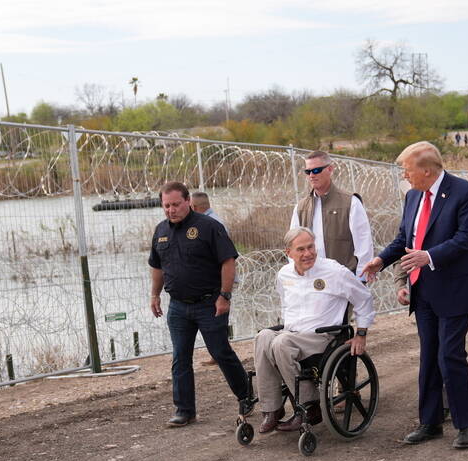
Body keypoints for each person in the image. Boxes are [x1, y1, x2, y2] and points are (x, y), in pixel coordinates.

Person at [361, 141, 468, 449]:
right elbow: (405, 236)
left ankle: (466, 424)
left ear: (426, 170)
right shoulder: (413, 196)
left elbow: (467, 239)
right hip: (424, 290)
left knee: (450, 355)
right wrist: (381, 260)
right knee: (429, 355)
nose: (405, 176)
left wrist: (429, 256)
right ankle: (430, 422)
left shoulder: (465, 193)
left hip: (455, 288)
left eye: (407, 170)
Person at [254, 227, 375, 433]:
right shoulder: (284, 274)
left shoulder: (334, 271)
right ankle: (272, 409)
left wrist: (360, 333)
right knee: (263, 336)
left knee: (281, 343)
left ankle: (310, 406)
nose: (308, 253)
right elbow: (285, 304)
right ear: (288, 253)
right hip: (293, 333)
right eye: (301, 249)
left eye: (311, 247)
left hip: (323, 337)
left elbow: (363, 299)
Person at [148, 181, 250, 427]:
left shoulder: (208, 227)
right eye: (166, 206)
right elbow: (157, 266)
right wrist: (154, 295)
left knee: (220, 352)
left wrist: (225, 296)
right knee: (180, 357)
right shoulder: (161, 231)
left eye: (175, 204)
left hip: (209, 303)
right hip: (178, 307)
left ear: (187, 202)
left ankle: (246, 396)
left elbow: (228, 261)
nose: (171, 210)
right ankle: (184, 410)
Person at [289, 151, 373, 278]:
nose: (312, 175)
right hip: (311, 281)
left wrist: (361, 280)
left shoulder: (350, 203)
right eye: (308, 172)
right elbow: (293, 245)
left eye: (316, 170)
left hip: (343, 282)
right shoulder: (301, 208)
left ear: (330, 169)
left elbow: (364, 245)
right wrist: (298, 276)